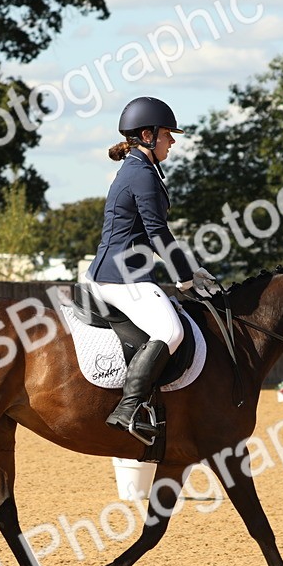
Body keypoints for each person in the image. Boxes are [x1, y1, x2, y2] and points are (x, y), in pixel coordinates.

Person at [84, 97, 218, 441]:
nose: (172, 140)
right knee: (172, 333)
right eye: (167, 135)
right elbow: (157, 232)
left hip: (121, 272)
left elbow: (150, 232)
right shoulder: (141, 174)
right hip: (122, 276)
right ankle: (129, 407)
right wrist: (185, 278)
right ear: (147, 135)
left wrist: (191, 268)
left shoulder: (139, 169)